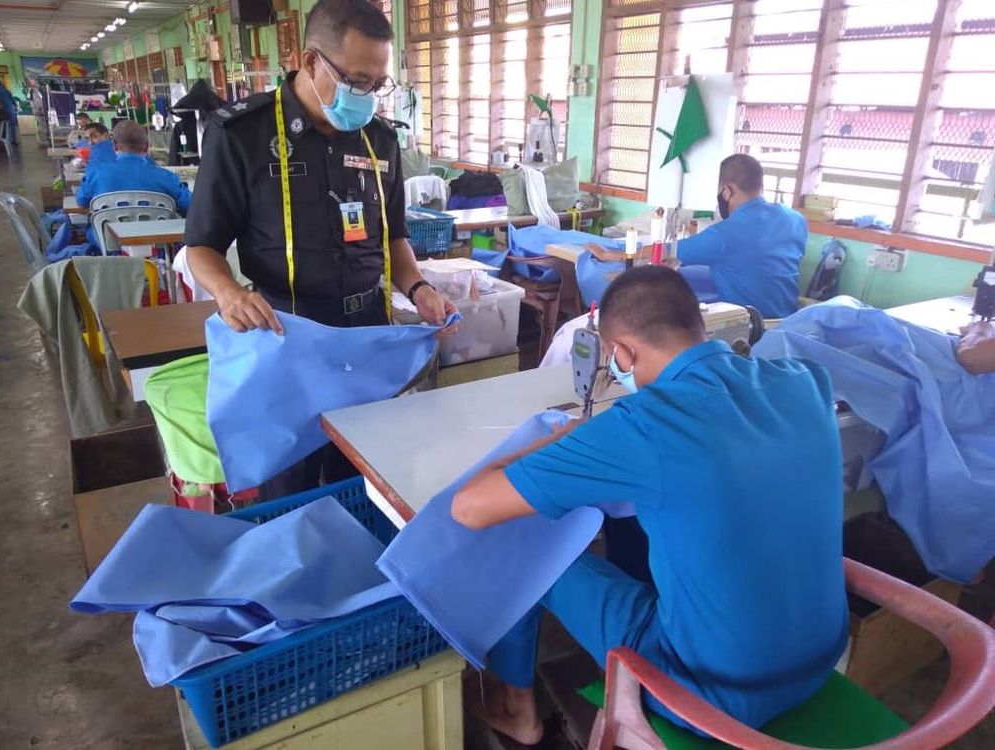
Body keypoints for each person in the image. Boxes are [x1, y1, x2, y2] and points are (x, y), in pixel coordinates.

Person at [451, 265, 848, 745]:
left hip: (708, 694)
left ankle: (517, 708)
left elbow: (470, 508)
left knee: (524, 541)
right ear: (698, 326)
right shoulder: (805, 381)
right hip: (820, 657)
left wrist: (563, 440)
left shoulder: (644, 424)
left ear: (622, 352)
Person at [184, 0, 456, 498]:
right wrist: (227, 293)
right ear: (311, 62)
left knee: (367, 481)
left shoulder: (380, 140)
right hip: (288, 339)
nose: (368, 95)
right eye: (357, 81)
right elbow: (202, 244)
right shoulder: (242, 134)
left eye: (378, 83)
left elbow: (393, 237)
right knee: (290, 491)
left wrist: (417, 288)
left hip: (365, 339)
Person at [673, 154, 807, 319]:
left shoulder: (724, 234)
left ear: (727, 191)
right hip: (788, 322)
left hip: (751, 330)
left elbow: (667, 253)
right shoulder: (795, 219)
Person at [76, 120, 192, 250]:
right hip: (159, 248)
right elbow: (190, 208)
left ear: (114, 146)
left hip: (109, 245)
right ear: (147, 146)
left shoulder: (96, 175)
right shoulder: (167, 178)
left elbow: (81, 203)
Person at [0, 79, 18, 145]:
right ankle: (13, 140)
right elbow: (14, 102)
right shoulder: (7, 91)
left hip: (1, 114)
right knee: (12, 125)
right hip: (11, 112)